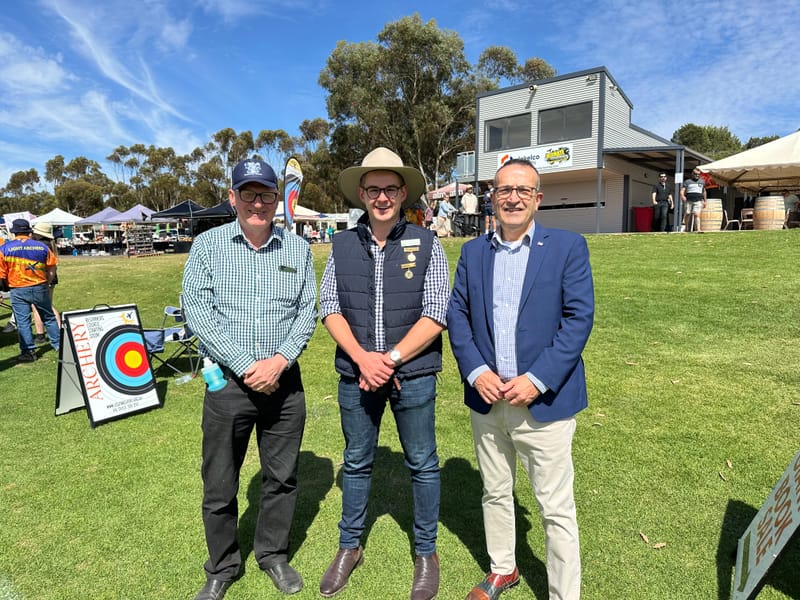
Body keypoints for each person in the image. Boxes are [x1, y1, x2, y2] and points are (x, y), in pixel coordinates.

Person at [447, 158, 594, 600]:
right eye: (504, 190)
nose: (513, 198)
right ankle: (503, 569)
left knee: (555, 508)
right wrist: (476, 372)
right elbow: (458, 316)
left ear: (537, 198)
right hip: (489, 402)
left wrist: (538, 379)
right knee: (495, 491)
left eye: (523, 190)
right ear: (492, 198)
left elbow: (578, 320)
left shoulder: (567, 247)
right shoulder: (473, 252)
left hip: (543, 404)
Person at [182, 158, 318, 600]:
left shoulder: (297, 249)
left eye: (266, 194)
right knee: (220, 483)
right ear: (232, 197)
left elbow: (307, 312)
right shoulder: (208, 246)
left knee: (282, 478)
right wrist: (245, 365)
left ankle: (273, 555)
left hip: (284, 384)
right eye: (248, 193)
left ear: (278, 199)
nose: (257, 203)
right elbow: (198, 312)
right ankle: (222, 566)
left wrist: (278, 361)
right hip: (228, 385)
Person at [318, 147, 449, 600]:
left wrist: (388, 359)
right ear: (361, 194)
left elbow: (436, 312)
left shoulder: (427, 243)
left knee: (423, 463)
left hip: (413, 374)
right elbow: (329, 307)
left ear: (402, 193)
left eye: (390, 189)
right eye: (373, 189)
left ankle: (426, 551)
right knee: (356, 461)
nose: (382, 197)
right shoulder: (340, 245)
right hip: (357, 373)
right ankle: (349, 546)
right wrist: (363, 359)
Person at [0, 219, 61, 362]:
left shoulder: (4, 249)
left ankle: (28, 352)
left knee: (23, 322)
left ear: (14, 232)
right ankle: (60, 345)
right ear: (29, 231)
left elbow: (1, 274)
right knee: (48, 317)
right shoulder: (42, 247)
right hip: (39, 286)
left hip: (17, 289)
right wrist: (48, 281)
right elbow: (52, 266)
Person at [30, 221, 61, 342]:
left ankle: (42, 334)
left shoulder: (40, 245)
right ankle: (48, 332)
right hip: (51, 277)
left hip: (44, 277)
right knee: (45, 305)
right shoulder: (49, 244)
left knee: (40, 306)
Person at [680, 167, 706, 232]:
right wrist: (682, 196)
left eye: (698, 174)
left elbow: (704, 191)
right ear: (692, 174)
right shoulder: (687, 181)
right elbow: (682, 190)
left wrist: (705, 201)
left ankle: (698, 229)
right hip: (689, 200)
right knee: (687, 213)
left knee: (697, 214)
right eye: (695, 174)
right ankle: (686, 228)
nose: (697, 175)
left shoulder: (702, 182)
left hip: (698, 200)